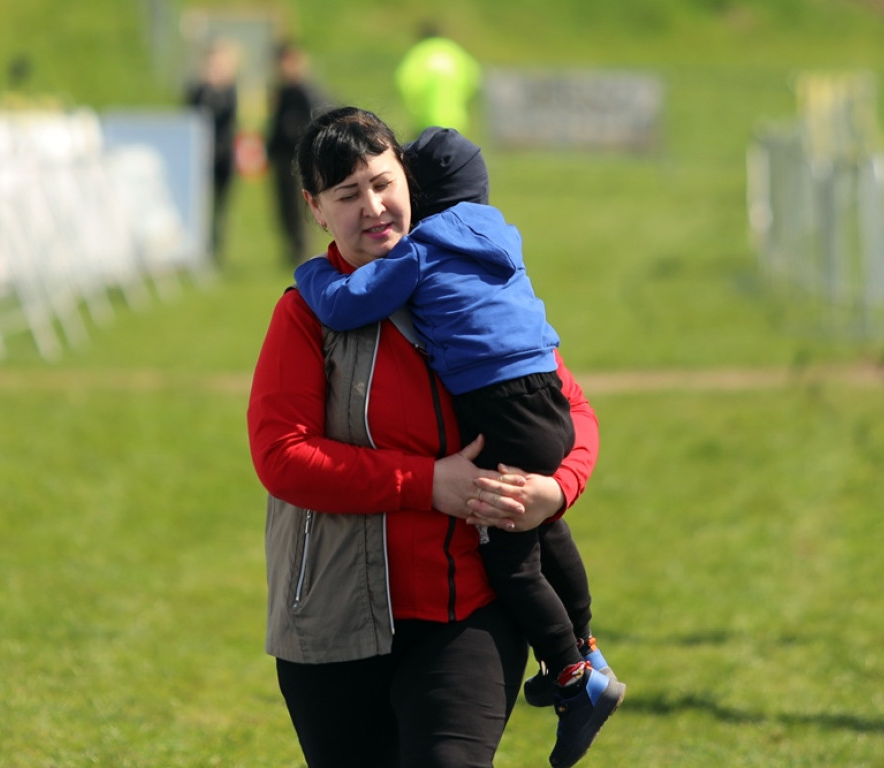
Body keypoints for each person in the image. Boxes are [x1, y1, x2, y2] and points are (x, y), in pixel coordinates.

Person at [247, 106, 604, 768]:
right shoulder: (304, 315)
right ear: (315, 208)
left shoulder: (471, 279)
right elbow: (282, 457)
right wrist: (426, 484)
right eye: (347, 194)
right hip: (331, 621)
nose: (373, 207)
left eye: (384, 183)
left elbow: (572, 408)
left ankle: (580, 659)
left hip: (467, 612)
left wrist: (557, 490)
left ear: (408, 180)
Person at [265, 40, 331, 267]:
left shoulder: (307, 91)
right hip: (282, 158)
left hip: (299, 159)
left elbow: (315, 122)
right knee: (284, 207)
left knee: (299, 204)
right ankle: (291, 249)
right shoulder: (281, 91)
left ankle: (302, 250)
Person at [185, 39, 238, 263]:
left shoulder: (230, 89)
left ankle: (215, 249)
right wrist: (206, 88)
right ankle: (198, 248)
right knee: (199, 204)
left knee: (220, 206)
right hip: (200, 155)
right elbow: (192, 114)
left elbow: (226, 116)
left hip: (223, 155)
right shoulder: (198, 89)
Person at [395, 23, 480, 135]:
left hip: (425, 121)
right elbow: (473, 77)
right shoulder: (454, 51)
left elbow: (406, 83)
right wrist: (461, 98)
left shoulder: (419, 53)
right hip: (456, 120)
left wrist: (415, 109)